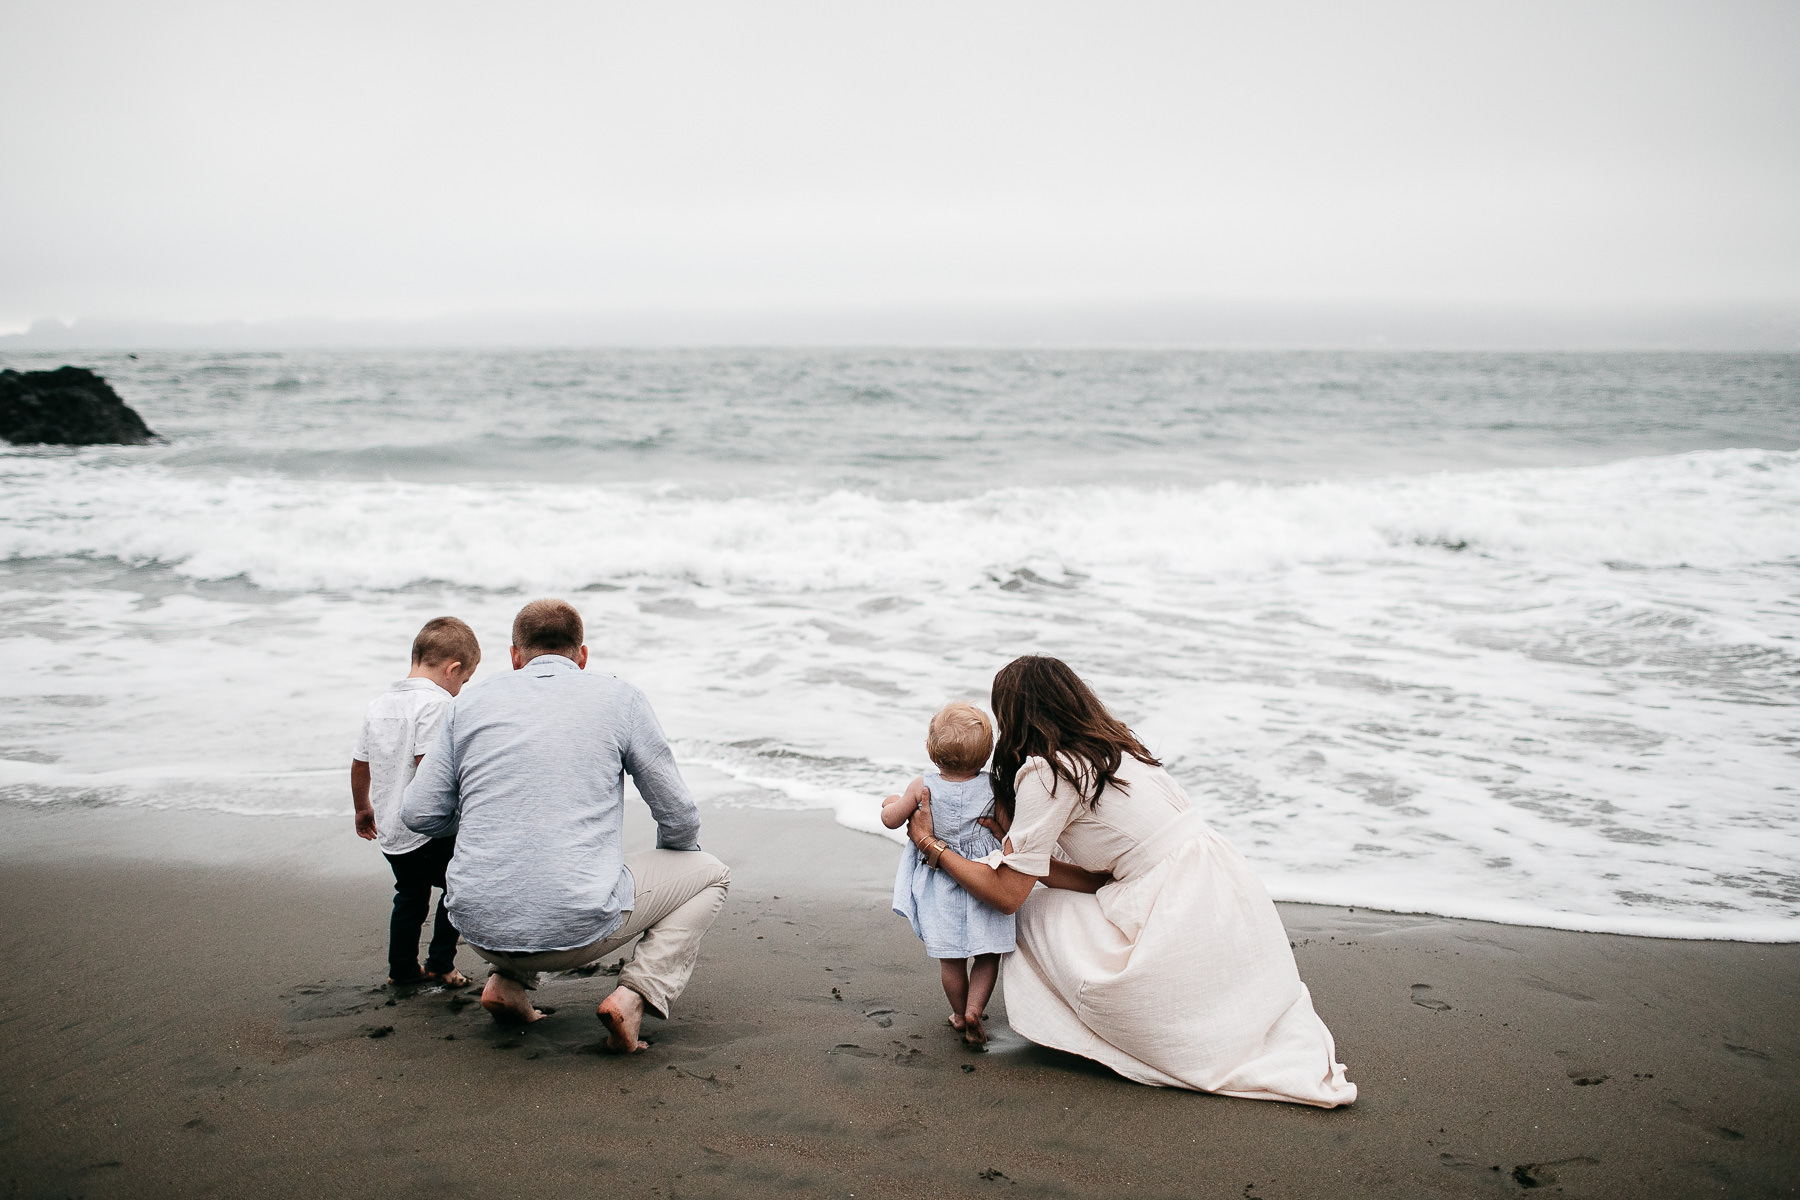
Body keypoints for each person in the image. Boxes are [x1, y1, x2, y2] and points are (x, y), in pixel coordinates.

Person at [905, 655, 1356, 1106]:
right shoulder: (1117, 749)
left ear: (1013, 716)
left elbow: (1007, 897)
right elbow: (1100, 877)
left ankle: (1090, 1026)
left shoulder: (1048, 771)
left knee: (1027, 911)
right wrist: (1021, 849)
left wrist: (932, 846)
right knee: (1037, 893)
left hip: (1174, 914)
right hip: (1227, 900)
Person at [401, 598, 730, 1053]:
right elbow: (678, 814)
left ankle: (506, 984)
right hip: (575, 931)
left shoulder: (467, 704)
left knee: (529, 860)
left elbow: (418, 814)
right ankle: (636, 995)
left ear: (514, 656)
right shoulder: (621, 699)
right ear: (582, 656)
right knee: (711, 874)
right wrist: (675, 856)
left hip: (478, 930)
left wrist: (490, 816)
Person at [350, 616, 480, 987]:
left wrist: (363, 809)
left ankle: (403, 970)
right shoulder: (437, 705)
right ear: (453, 669)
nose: (459, 690)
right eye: (464, 682)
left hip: (392, 830)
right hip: (428, 829)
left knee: (409, 896)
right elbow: (430, 770)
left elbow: (360, 762)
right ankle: (441, 962)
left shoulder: (378, 704)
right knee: (458, 886)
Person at [881, 702, 1016, 1046]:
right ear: (986, 755)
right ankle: (975, 1009)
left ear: (932, 751)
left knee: (951, 959)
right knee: (987, 954)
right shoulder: (994, 787)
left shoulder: (921, 786)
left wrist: (890, 801)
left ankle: (958, 1014)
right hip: (983, 877)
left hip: (939, 880)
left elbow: (892, 820)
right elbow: (1009, 829)